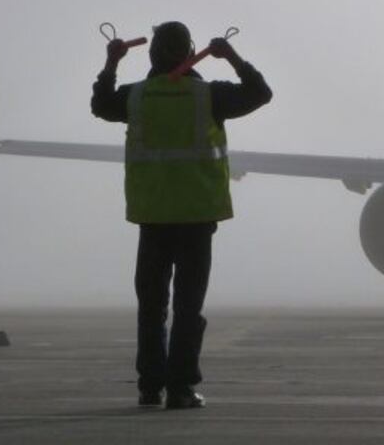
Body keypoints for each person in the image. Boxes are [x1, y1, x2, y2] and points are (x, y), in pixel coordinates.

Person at [91, 22, 272, 409]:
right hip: (196, 218)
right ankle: (180, 389)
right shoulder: (208, 97)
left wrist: (111, 62)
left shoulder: (137, 97)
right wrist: (232, 57)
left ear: (152, 53)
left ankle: (149, 387)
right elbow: (261, 94)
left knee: (151, 307)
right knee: (188, 308)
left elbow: (100, 104)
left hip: (152, 218)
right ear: (190, 52)